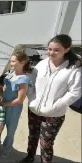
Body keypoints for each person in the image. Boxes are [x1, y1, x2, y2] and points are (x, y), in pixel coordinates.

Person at [20, 34, 82, 163]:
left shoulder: (73, 68)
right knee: (32, 137)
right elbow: (31, 82)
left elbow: (75, 92)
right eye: (49, 49)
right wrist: (31, 99)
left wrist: (54, 106)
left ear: (66, 49)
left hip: (54, 114)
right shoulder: (42, 64)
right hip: (34, 110)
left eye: (56, 50)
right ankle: (29, 157)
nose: (51, 53)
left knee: (46, 143)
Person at [1, 46, 33, 158]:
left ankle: (6, 148)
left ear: (23, 62)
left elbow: (20, 100)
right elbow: (5, 87)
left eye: (13, 61)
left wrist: (5, 104)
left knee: (10, 131)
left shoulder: (24, 79)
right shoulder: (10, 73)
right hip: (3, 104)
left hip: (13, 109)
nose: (11, 63)